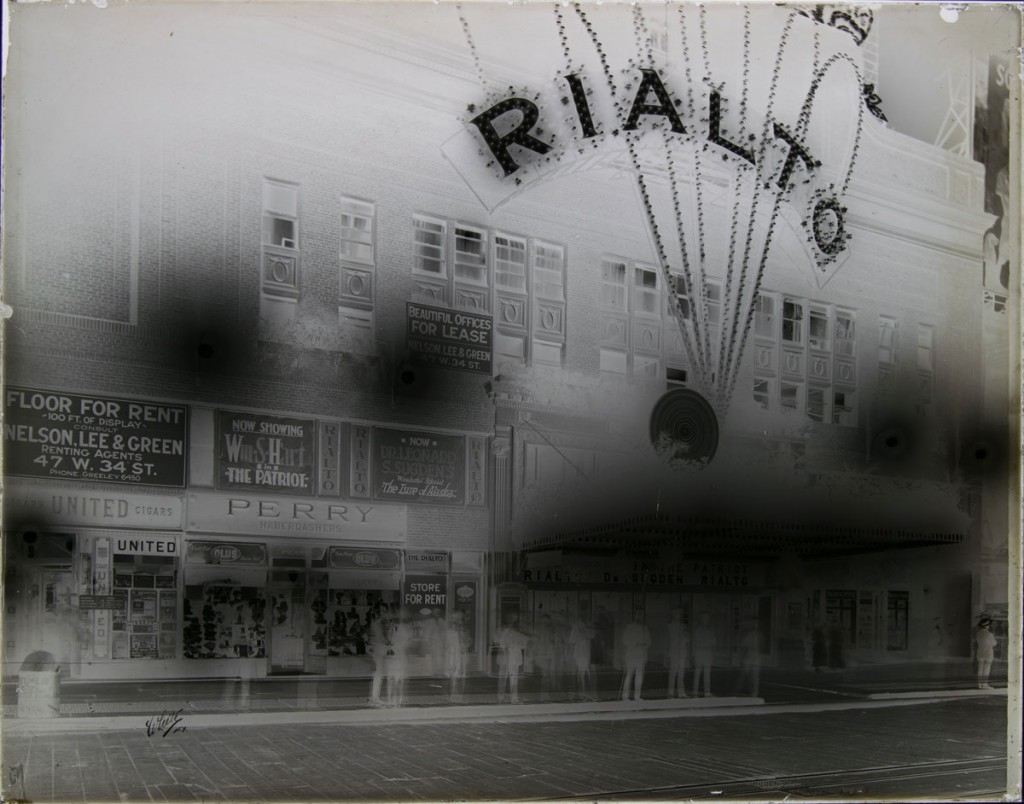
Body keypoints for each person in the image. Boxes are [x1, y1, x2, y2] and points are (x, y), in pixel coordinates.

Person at [497, 614, 530, 703]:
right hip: (508, 656)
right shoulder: (505, 631)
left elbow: (524, 645)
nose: (513, 622)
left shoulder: (518, 632)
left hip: (515, 656)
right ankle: (501, 697)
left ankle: (514, 698)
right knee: (504, 677)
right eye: (511, 619)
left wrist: (520, 642)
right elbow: (502, 644)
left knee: (514, 677)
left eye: (514, 620)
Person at [621, 610, 651, 701]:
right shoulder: (629, 627)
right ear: (634, 616)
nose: (639, 617)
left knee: (639, 676)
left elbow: (649, 641)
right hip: (631, 654)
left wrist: (643, 645)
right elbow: (625, 640)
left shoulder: (644, 628)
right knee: (629, 675)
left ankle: (637, 696)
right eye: (637, 615)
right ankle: (625, 696)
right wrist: (635, 644)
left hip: (641, 655)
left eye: (641, 615)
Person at [385, 613, 412, 707]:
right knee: (390, 679)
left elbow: (407, 641)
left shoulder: (403, 629)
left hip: (400, 657)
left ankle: (399, 701)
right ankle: (389, 699)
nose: (393, 621)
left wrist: (400, 648)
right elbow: (387, 640)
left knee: (399, 680)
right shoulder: (389, 629)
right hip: (391, 657)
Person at [569, 614, 597, 700]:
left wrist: (585, 632)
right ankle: (582, 694)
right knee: (581, 674)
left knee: (590, 674)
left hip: (588, 653)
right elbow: (572, 639)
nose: (587, 618)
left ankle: (591, 694)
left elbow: (593, 635)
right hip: (580, 653)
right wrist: (583, 634)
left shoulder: (588, 625)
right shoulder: (576, 626)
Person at [368, 605, 390, 706]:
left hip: (379, 651)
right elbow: (381, 638)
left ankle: (375, 697)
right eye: (384, 611)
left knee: (378, 674)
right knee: (378, 674)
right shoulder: (378, 624)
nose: (386, 613)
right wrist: (389, 641)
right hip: (378, 651)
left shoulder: (379, 623)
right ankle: (375, 698)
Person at [444, 611, 468, 702]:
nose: (458, 621)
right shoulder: (449, 631)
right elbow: (447, 644)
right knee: (452, 673)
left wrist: (464, 645)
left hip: (460, 654)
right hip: (452, 654)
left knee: (461, 674)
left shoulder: (462, 631)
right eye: (456, 619)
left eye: (459, 619)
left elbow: (466, 642)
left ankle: (459, 694)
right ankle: (452, 694)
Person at [665, 608, 690, 698]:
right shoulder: (670, 626)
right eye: (676, 613)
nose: (678, 615)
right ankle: (670, 692)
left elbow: (687, 639)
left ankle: (681, 692)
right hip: (674, 651)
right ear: (673, 615)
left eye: (680, 614)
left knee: (681, 673)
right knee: (673, 672)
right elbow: (670, 638)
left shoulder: (683, 626)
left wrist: (685, 636)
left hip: (682, 651)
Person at [691, 611, 715, 697]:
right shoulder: (697, 630)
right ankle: (695, 692)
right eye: (704, 618)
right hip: (699, 652)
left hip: (707, 653)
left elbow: (713, 642)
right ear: (701, 619)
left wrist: (712, 655)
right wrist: (693, 655)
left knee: (707, 673)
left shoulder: (710, 630)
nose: (706, 620)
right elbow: (694, 643)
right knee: (697, 672)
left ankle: (707, 692)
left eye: (707, 618)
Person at [735, 619, 761, 697]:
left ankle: (753, 692)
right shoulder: (749, 634)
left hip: (754, 658)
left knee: (753, 677)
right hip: (750, 658)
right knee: (746, 676)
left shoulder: (758, 635)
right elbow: (744, 647)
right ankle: (743, 691)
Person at [973, 615, 997, 690]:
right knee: (986, 669)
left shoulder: (978, 633)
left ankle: (979, 684)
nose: (989, 626)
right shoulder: (990, 634)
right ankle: (985, 684)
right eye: (989, 624)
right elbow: (994, 643)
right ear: (987, 626)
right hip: (988, 653)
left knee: (980, 669)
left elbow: (976, 642)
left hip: (980, 653)